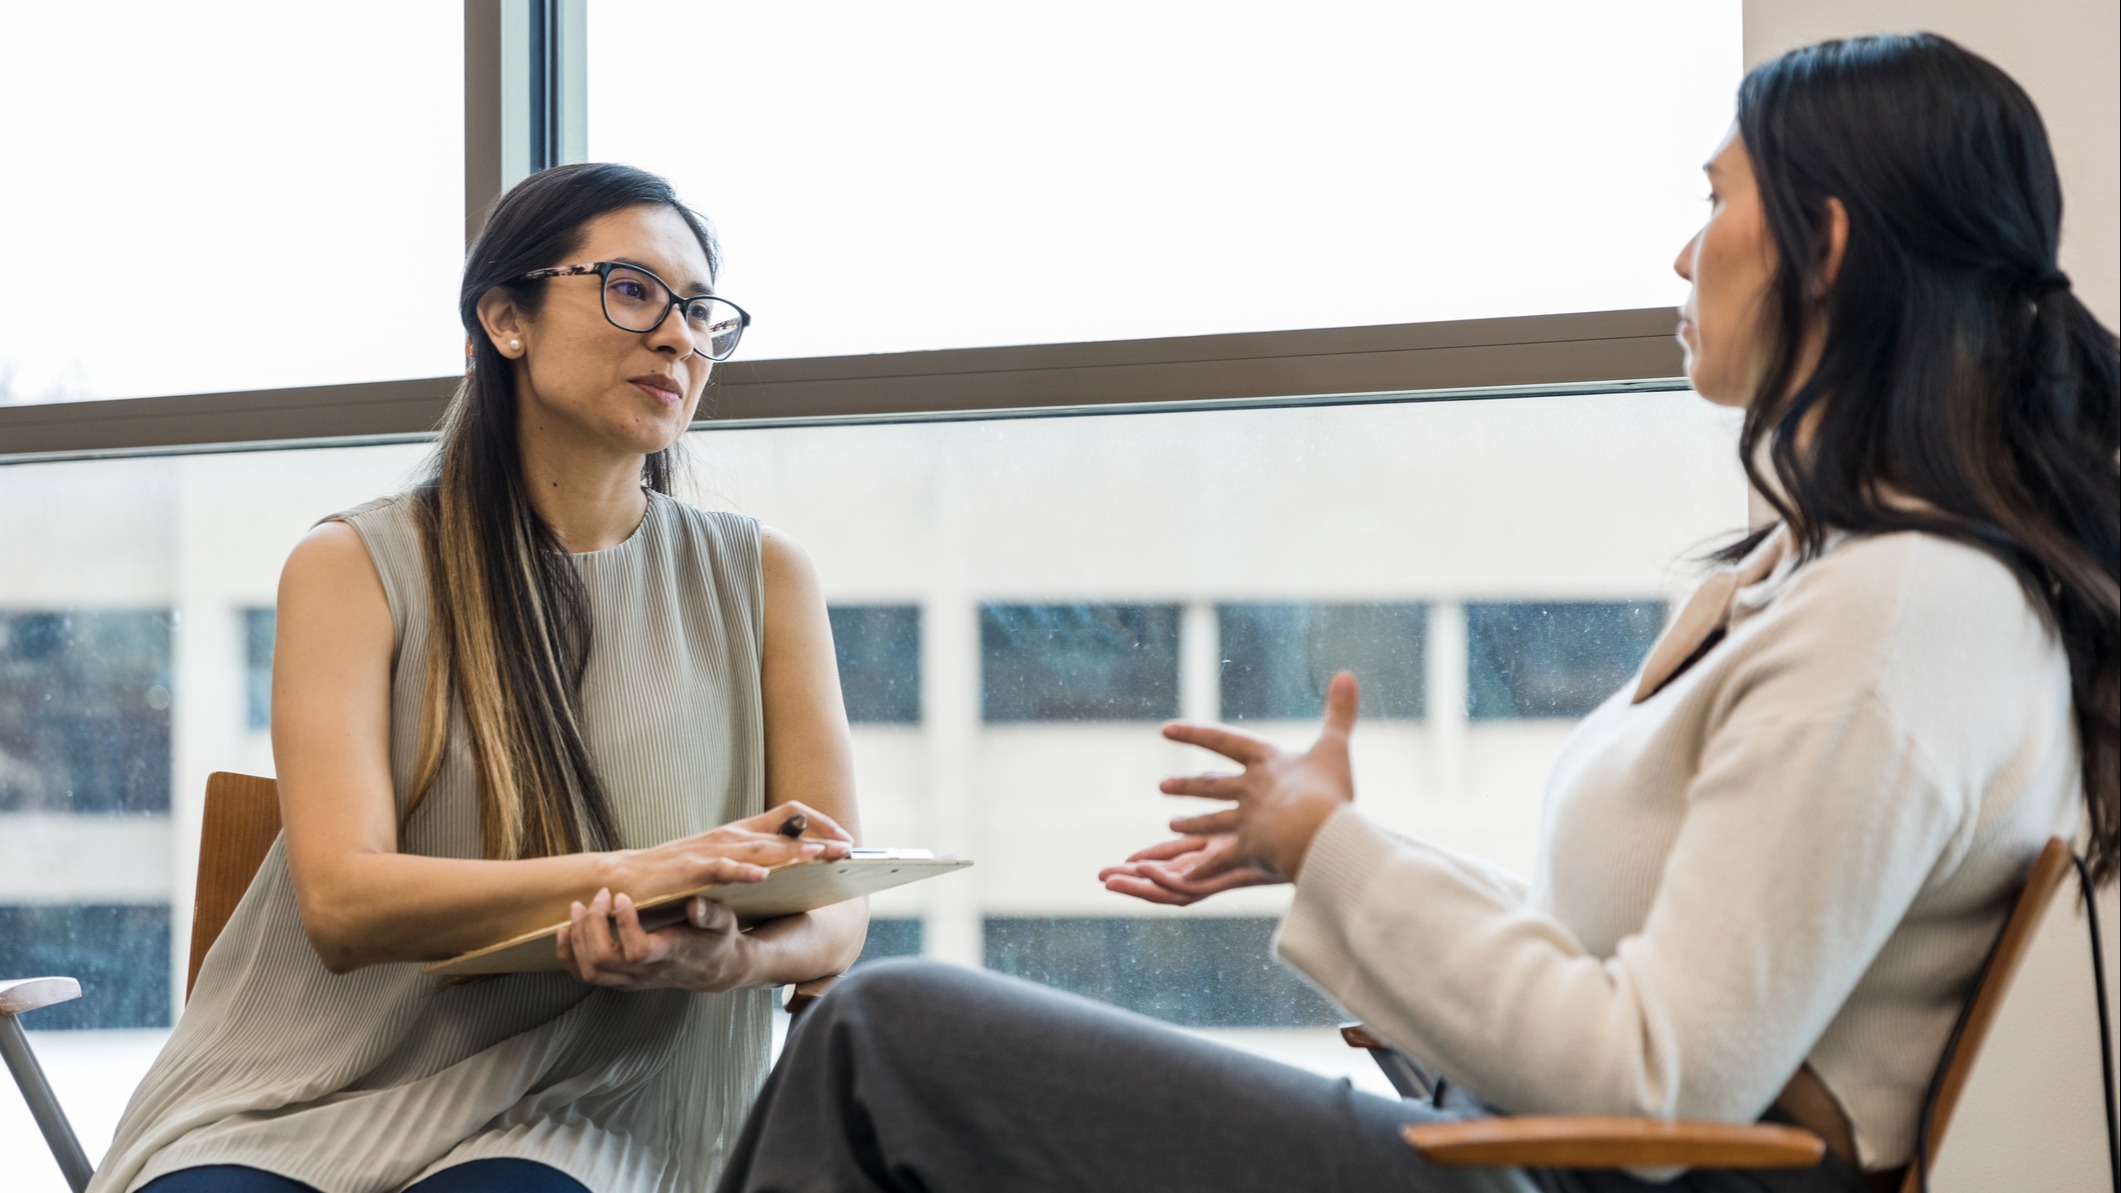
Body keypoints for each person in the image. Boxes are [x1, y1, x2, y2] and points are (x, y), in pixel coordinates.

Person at [714, 32, 2118, 1193]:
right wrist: (1320, 851)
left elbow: (1659, 1076)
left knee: (887, 1032)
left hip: (1568, 1183)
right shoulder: (1839, 583)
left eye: (1713, 199)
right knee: (887, 1037)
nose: (1682, 257)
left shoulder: (1900, 611)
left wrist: (1336, 853)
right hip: (1539, 1159)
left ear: (1823, 238)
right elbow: (1623, 979)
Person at [90, 163, 870, 1193]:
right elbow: (343, 902)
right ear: (507, 317)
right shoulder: (352, 564)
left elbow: (838, 901)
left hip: (603, 1102)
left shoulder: (762, 578)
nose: (681, 336)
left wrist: (730, 961)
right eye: (634, 291)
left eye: (699, 310)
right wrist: (648, 871)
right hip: (297, 1093)